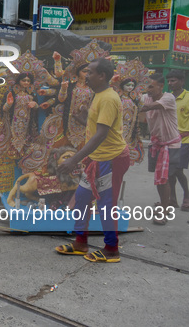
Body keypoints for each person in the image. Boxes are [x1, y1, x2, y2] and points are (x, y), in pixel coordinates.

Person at [55, 58, 130, 263]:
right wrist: (83, 118)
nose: (86, 76)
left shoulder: (108, 98)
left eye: (90, 72)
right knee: (81, 198)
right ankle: (80, 242)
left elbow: (100, 135)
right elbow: (98, 126)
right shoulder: (98, 95)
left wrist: (74, 160)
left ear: (102, 76)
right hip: (96, 158)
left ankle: (111, 249)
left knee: (106, 205)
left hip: (111, 159)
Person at [140, 73, 181, 225]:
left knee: (165, 179)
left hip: (170, 145)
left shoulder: (168, 97)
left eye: (151, 86)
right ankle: (165, 204)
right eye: (146, 87)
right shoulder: (146, 98)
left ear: (160, 86)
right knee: (160, 179)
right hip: (156, 144)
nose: (148, 90)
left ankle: (163, 210)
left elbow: (148, 107)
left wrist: (131, 103)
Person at [166, 70, 189, 212]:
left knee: (177, 169)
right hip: (169, 140)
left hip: (185, 139)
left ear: (182, 81)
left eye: (174, 80)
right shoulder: (167, 98)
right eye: (169, 81)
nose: (170, 83)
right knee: (170, 171)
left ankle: (188, 195)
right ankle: (173, 199)